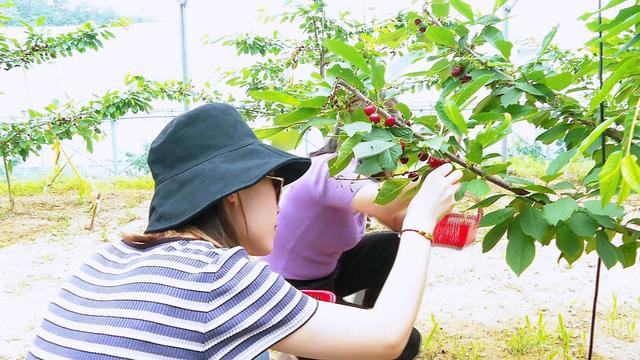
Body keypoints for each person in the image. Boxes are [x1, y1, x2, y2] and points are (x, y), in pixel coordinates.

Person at [27, 103, 462, 359]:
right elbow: (386, 339)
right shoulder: (218, 276)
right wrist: (421, 224)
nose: (281, 199)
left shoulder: (109, 255)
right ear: (235, 194)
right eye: (275, 183)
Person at [261, 137, 422, 359]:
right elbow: (384, 203)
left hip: (329, 274)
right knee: (406, 343)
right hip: (292, 290)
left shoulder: (359, 177)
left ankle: (374, 318)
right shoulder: (334, 169)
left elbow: (397, 221)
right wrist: (431, 176)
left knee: (390, 245)